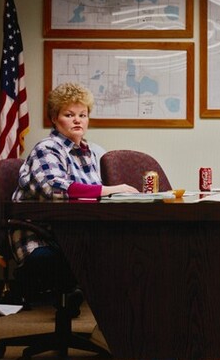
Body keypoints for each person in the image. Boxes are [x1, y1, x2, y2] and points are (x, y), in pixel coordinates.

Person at [11, 82, 138, 300]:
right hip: (43, 238)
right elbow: (54, 189)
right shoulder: (47, 148)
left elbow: (89, 197)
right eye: (69, 114)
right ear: (54, 118)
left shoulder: (86, 153)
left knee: (132, 251)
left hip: (75, 234)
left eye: (83, 114)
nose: (78, 120)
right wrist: (112, 189)